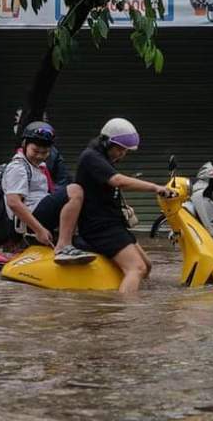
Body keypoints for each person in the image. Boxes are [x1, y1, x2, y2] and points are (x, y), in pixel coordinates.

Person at [75, 118, 177, 294]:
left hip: (113, 223)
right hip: (99, 227)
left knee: (147, 265)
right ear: (106, 142)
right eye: (120, 149)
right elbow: (118, 181)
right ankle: (125, 313)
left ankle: (135, 295)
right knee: (136, 268)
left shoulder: (104, 159)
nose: (122, 154)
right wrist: (155, 187)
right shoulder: (91, 157)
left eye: (125, 151)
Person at [2, 121, 95, 264]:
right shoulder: (18, 167)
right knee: (75, 190)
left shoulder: (39, 166)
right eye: (35, 151)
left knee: (89, 243)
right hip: (32, 219)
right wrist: (39, 230)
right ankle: (63, 246)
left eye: (44, 152)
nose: (39, 156)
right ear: (25, 144)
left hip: (41, 214)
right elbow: (13, 202)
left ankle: (69, 242)